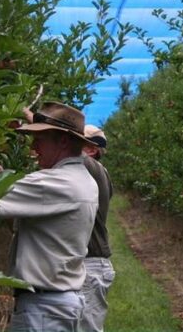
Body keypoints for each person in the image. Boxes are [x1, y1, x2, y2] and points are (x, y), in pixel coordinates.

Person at [0, 101, 99, 332]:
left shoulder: (55, 183)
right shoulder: (81, 180)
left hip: (43, 310)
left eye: (39, 140)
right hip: (57, 305)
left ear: (62, 141)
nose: (33, 147)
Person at [80, 124, 114, 332]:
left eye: (75, 140)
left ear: (92, 149)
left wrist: (30, 117)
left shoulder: (94, 169)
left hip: (91, 264)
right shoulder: (81, 176)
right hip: (83, 263)